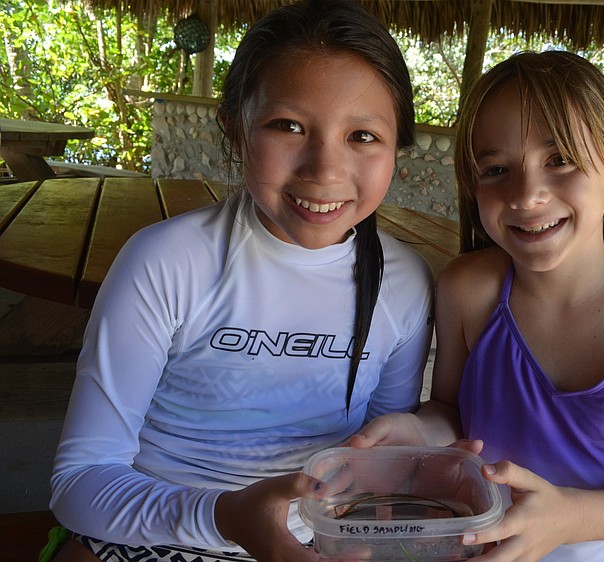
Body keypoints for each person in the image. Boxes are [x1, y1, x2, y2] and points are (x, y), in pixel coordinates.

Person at [48, 1, 433, 561]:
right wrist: (224, 517)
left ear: (397, 144)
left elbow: (378, 458)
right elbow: (81, 481)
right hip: (152, 529)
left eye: (363, 135)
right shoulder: (168, 261)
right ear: (235, 127)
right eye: (288, 126)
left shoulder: (402, 282)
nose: (324, 170)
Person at [351, 50, 604, 561]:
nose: (526, 195)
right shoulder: (468, 288)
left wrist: (570, 518)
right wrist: (419, 431)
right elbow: (451, 413)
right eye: (497, 168)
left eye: (559, 159)